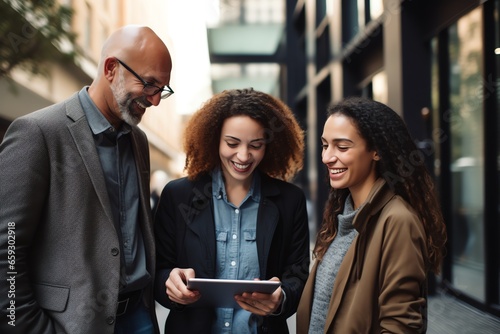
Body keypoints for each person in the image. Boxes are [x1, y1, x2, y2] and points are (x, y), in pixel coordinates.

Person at [0, 25, 173, 334]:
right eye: (149, 84)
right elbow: (7, 247)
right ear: (111, 69)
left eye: (163, 89)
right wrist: (25, 327)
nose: (156, 100)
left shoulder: (139, 141)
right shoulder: (37, 133)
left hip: (140, 319)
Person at [154, 88, 310, 333]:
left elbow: (299, 274)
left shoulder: (290, 201)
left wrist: (281, 298)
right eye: (232, 143)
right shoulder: (178, 196)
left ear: (269, 145)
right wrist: (170, 285)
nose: (243, 155)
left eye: (255, 145)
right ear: (214, 139)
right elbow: (158, 269)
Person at [296, 97, 447, 333]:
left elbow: (401, 325)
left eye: (342, 147)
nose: (327, 157)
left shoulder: (397, 221)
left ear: (376, 150)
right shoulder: (342, 215)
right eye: (325, 145)